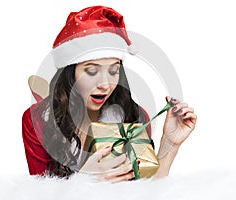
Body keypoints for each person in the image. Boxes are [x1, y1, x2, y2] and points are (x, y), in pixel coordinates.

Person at [22, 5, 197, 183]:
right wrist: (84, 180)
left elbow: (145, 192)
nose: (105, 85)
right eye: (91, 71)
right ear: (70, 72)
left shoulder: (135, 117)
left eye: (113, 71)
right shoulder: (37, 121)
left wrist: (169, 144)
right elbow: (39, 193)